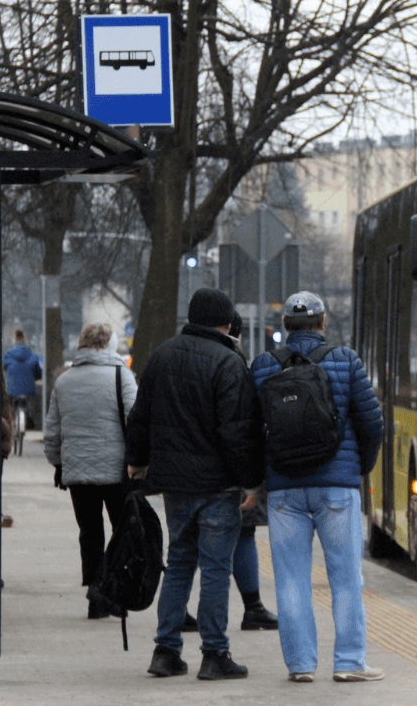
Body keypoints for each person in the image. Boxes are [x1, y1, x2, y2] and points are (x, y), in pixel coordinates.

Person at [126, 288, 265, 681]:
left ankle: (165, 650)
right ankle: (214, 654)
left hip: (175, 487)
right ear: (225, 322)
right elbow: (238, 433)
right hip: (218, 488)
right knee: (216, 569)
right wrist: (251, 482)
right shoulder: (229, 362)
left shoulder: (162, 355)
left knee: (180, 563)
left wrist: (137, 462)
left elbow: (140, 416)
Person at [250, 291, 384, 683]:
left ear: (285, 327)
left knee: (291, 578)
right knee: (346, 578)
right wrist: (360, 469)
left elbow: (251, 431)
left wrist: (257, 482)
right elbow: (371, 423)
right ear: (323, 323)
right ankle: (349, 663)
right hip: (337, 487)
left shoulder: (261, 367)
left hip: (284, 489)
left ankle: (301, 665)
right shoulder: (345, 360)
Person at [43, 323, 138, 619]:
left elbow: (52, 432)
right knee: (122, 531)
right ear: (110, 346)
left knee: (90, 531)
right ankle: (110, 589)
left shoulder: (64, 381)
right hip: (117, 471)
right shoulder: (122, 375)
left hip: (77, 473)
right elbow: (134, 419)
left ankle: (96, 596)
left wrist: (58, 463)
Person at [224, 308, 278, 632]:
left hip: (183, 473)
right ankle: (252, 607)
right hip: (227, 471)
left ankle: (174, 624)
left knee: (185, 542)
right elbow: (244, 424)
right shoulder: (234, 363)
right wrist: (252, 481)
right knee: (242, 534)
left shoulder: (171, 356)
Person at [2, 328, 43, 430]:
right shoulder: (32, 355)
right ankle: (32, 420)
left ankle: (10, 421)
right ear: (24, 339)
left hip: (12, 391)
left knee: (9, 405)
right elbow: (39, 373)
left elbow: (3, 368)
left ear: (14, 339)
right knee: (32, 402)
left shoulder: (8, 355)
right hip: (29, 391)